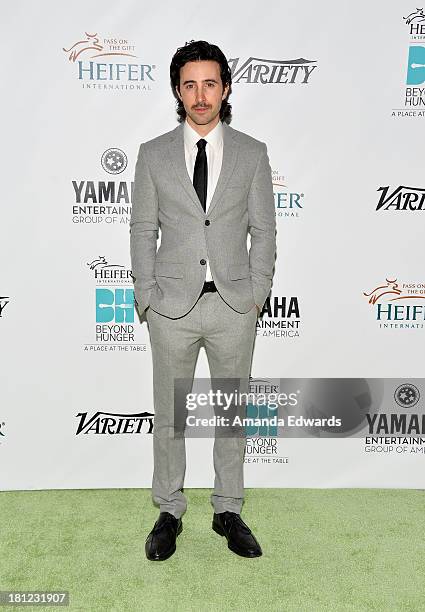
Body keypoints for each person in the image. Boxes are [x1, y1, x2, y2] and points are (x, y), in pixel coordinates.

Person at [130, 39, 276, 561]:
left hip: (234, 305)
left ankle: (228, 509)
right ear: (178, 90)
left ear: (225, 88)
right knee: (170, 416)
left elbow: (264, 230)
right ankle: (169, 510)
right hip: (171, 307)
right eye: (189, 84)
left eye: (209, 83)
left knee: (231, 414)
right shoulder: (152, 154)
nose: (200, 95)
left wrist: (257, 293)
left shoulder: (253, 153)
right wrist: (145, 296)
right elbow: (143, 230)